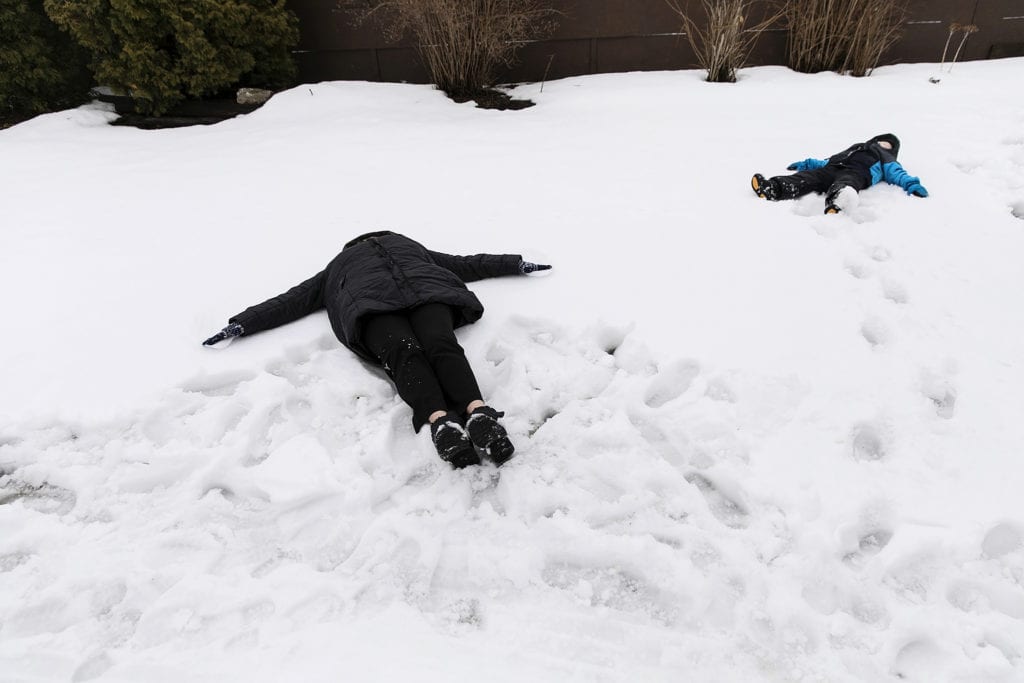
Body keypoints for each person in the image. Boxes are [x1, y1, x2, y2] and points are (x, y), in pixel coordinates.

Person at [202, 230, 551, 469]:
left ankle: (469, 416)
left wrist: (514, 263)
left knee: (427, 347)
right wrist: (243, 323)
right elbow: (291, 301)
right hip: (376, 307)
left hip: (419, 295)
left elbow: (466, 263)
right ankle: (451, 420)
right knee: (415, 349)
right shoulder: (337, 267)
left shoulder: (407, 247)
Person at [751, 133, 928, 214]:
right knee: (809, 178)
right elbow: (828, 160)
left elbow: (898, 174)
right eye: (881, 142)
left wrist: (912, 185)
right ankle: (773, 188)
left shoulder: (886, 159)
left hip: (858, 172)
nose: (882, 145)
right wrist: (807, 164)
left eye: (888, 146)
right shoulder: (856, 147)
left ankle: (839, 202)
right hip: (833, 167)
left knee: (847, 182)